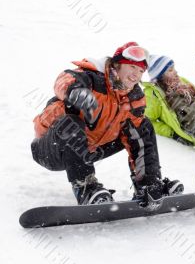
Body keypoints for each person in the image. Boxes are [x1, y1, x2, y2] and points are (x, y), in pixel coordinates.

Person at [31, 42, 183, 205]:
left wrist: (149, 177)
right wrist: (75, 92)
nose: (136, 75)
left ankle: (148, 184)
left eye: (140, 71)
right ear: (117, 64)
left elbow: (139, 141)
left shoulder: (134, 98)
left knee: (142, 125)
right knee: (70, 123)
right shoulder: (91, 78)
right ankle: (86, 188)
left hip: (90, 151)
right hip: (51, 148)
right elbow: (65, 79)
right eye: (132, 67)